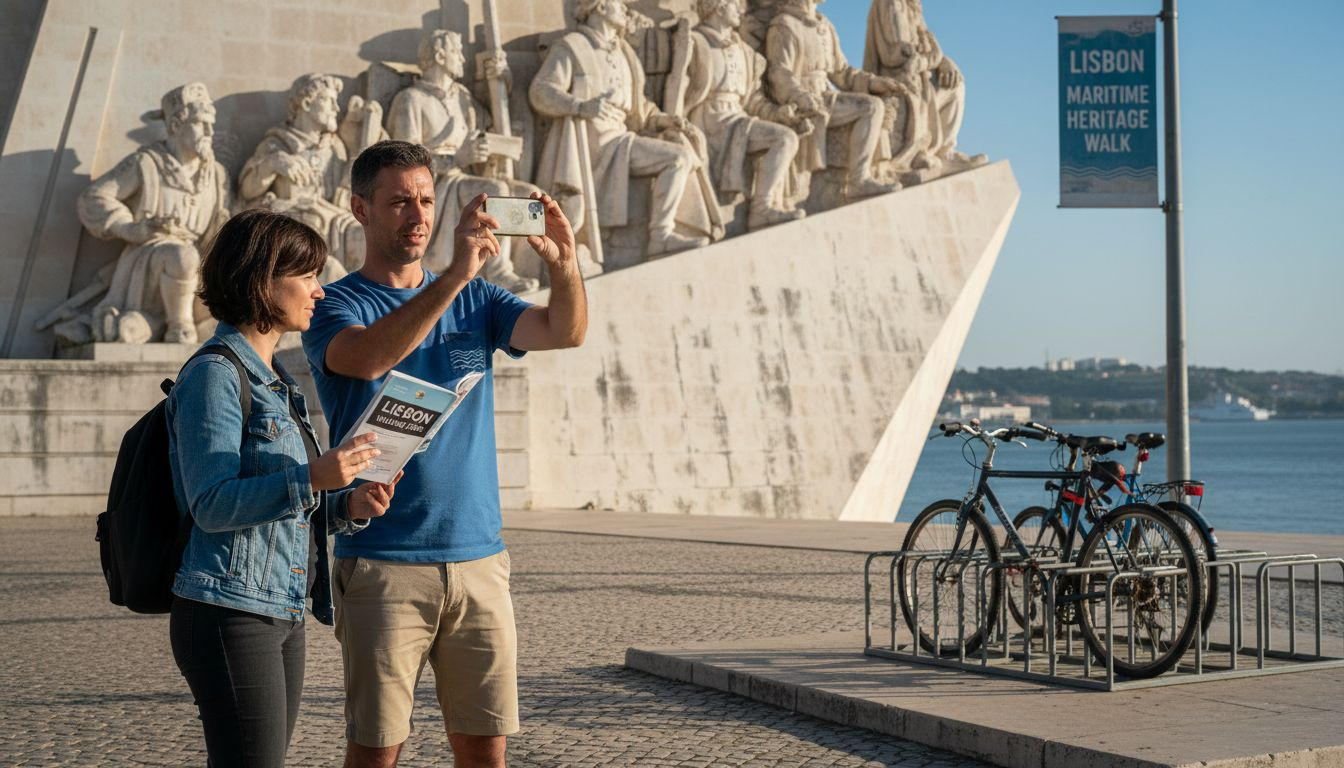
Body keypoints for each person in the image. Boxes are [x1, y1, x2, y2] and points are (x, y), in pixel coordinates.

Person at [301, 140, 587, 768]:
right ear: (360, 209)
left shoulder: (481, 304)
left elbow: (563, 332)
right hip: (382, 559)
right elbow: (371, 357)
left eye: (426, 200)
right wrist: (457, 274)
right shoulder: (336, 305)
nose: (418, 215)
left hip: (480, 558)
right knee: (377, 750)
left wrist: (565, 264)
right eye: (399, 201)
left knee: (486, 747)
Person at [167, 209, 401, 767]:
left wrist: (346, 504)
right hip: (227, 608)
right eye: (306, 276)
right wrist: (313, 477)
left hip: (282, 607)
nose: (319, 291)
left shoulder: (276, 382)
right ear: (260, 279)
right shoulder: (215, 374)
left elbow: (286, 505)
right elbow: (212, 505)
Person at [529, 0, 711, 259]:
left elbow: (639, 106)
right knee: (677, 158)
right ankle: (660, 236)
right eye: (619, 4)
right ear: (600, 7)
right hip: (593, 139)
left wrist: (662, 120)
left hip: (621, 136)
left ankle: (664, 234)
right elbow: (541, 91)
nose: (625, 9)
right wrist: (580, 106)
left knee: (681, 150)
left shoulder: (623, 52)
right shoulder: (572, 46)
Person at [75, 82, 231, 344]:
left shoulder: (217, 174)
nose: (209, 131)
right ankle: (179, 328)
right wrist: (128, 228)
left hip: (200, 264)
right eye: (200, 123)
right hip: (152, 258)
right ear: (176, 126)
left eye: (211, 124)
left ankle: (155, 325)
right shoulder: (146, 163)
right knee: (183, 257)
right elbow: (93, 197)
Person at [388, 29, 540, 293]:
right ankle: (498, 270)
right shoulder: (411, 100)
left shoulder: (463, 97)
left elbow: (493, 123)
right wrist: (456, 158)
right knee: (496, 193)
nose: (462, 58)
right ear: (439, 55)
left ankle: (534, 268)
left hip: (467, 176)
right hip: (437, 185)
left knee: (529, 198)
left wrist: (502, 82)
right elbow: (401, 166)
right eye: (456, 51)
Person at [238, 73, 380, 276]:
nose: (336, 108)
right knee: (330, 270)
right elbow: (247, 190)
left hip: (333, 224)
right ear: (306, 103)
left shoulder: (335, 146)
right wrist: (272, 163)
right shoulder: (277, 144)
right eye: (329, 101)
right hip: (297, 229)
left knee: (373, 243)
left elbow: (345, 193)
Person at [764, 0, 904, 201]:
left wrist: (875, 83)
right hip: (802, 98)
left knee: (873, 106)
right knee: (871, 107)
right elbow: (779, 74)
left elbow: (842, 72)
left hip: (826, 95)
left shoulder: (825, 26)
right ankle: (857, 180)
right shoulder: (784, 24)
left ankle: (859, 179)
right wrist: (799, 96)